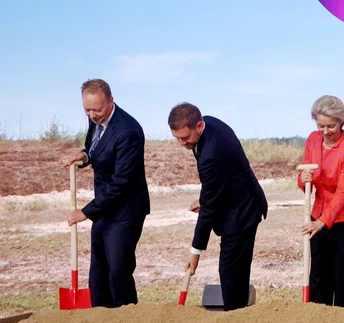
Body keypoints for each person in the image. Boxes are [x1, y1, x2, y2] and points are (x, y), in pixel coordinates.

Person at [168, 103, 268, 311]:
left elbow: (210, 209)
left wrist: (195, 251)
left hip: (242, 211)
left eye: (185, 138)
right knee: (232, 272)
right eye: (177, 138)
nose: (181, 143)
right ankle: (238, 315)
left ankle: (236, 320)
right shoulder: (209, 125)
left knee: (231, 271)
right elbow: (221, 180)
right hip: (234, 199)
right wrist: (206, 200)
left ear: (199, 125)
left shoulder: (212, 154)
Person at [59, 79, 149, 307]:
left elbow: (121, 182)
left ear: (111, 101)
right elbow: (96, 150)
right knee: (98, 272)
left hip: (126, 210)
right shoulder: (95, 119)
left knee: (118, 271)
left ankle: (127, 322)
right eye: (87, 110)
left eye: (96, 109)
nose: (92, 116)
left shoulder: (129, 131)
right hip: (105, 208)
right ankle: (100, 321)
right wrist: (83, 156)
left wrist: (87, 211)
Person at [298, 95, 344, 307]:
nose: (325, 132)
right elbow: (304, 176)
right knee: (318, 274)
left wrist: (323, 222)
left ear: (341, 122)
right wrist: (303, 179)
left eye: (331, 126)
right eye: (321, 126)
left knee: (343, 276)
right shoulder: (312, 140)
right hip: (318, 213)